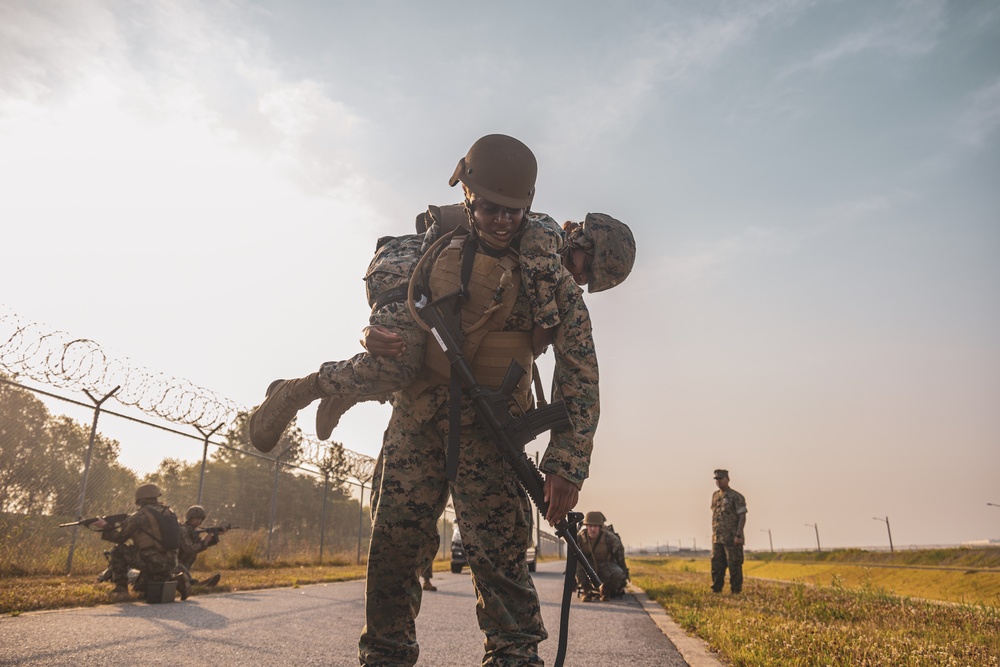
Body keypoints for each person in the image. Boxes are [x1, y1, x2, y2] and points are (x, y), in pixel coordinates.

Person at [356, 133, 602, 667]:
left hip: (494, 436)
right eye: (489, 207)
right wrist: (372, 333)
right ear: (466, 194)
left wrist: (566, 463)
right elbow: (390, 301)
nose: (501, 221)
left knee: (502, 563)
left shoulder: (546, 276)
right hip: (419, 421)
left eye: (514, 212)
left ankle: (514, 657)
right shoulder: (429, 249)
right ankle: (385, 655)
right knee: (395, 552)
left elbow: (579, 370)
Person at [247, 173, 635, 452]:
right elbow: (536, 267)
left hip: (433, 288)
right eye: (586, 265)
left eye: (587, 281)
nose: (579, 278)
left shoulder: (550, 271)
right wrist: (547, 326)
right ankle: (298, 390)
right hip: (405, 267)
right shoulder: (544, 232)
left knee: (448, 357)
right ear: (581, 239)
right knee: (398, 364)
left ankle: (355, 388)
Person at [92, 483, 190, 600]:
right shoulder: (170, 512)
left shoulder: (139, 515)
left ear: (139, 499)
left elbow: (120, 538)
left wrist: (105, 526)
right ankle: (176, 580)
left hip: (152, 561)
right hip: (171, 563)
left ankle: (121, 590)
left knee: (118, 551)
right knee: (141, 590)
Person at [575, 511, 629, 602]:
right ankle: (586, 590)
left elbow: (619, 555)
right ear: (586, 526)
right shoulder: (579, 538)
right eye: (590, 526)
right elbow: (574, 557)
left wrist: (624, 571)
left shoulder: (610, 538)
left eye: (595, 526)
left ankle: (606, 589)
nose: (592, 529)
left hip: (606, 565)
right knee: (577, 564)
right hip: (588, 566)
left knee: (618, 573)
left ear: (600, 527)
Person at [711, 469, 747, 594]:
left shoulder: (736, 497)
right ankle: (716, 589)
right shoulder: (715, 496)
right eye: (716, 479)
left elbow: (742, 516)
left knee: (734, 565)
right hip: (718, 537)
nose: (718, 481)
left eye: (720, 479)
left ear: (727, 479)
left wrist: (739, 534)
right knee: (716, 565)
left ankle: (736, 591)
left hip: (732, 538)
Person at [177, 505, 224, 588]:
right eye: (196, 518)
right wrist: (204, 541)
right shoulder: (183, 530)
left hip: (181, 564)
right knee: (181, 572)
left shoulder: (192, 531)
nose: (199, 521)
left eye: (201, 519)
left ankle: (193, 584)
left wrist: (213, 537)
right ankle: (193, 584)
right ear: (190, 518)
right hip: (174, 564)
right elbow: (189, 549)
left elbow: (198, 547)